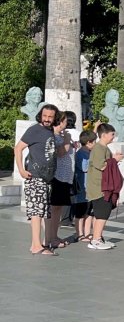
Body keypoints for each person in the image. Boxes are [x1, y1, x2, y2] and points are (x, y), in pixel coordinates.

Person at [14, 104, 59, 256]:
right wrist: (21, 169)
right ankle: (36, 246)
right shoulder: (34, 130)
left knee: (41, 210)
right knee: (36, 212)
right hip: (35, 175)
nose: (47, 119)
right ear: (40, 115)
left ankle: (39, 243)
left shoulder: (50, 130)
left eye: (50, 117)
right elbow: (18, 148)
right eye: (45, 116)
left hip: (46, 177)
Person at [87, 123, 123, 250]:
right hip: (100, 187)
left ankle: (98, 237)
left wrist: (113, 159)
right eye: (112, 134)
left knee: (101, 213)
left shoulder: (104, 149)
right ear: (103, 135)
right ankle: (95, 239)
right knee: (102, 213)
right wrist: (115, 160)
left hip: (103, 186)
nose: (113, 137)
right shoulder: (98, 148)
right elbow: (101, 165)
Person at [45, 111, 74, 249]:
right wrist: (67, 139)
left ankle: (54, 236)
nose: (66, 123)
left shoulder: (60, 136)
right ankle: (50, 237)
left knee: (58, 209)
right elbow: (62, 152)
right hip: (57, 177)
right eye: (65, 121)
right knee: (54, 208)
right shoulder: (54, 136)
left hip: (64, 178)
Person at [72, 130, 96, 243]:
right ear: (88, 142)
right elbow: (84, 168)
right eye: (94, 141)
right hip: (82, 187)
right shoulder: (81, 154)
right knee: (80, 212)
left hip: (90, 187)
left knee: (89, 212)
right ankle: (79, 233)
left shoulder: (89, 153)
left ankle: (87, 233)